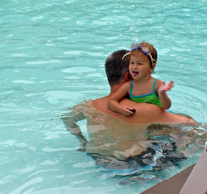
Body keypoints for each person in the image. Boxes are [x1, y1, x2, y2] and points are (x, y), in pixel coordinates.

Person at [62, 49, 198, 168]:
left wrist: (83, 142)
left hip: (99, 160)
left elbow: (67, 119)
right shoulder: (144, 110)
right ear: (129, 77)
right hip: (135, 165)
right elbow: (190, 123)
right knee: (193, 134)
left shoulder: (88, 106)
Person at [107, 42, 174, 117]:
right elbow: (111, 101)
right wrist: (121, 109)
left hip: (160, 120)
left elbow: (166, 106)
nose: (134, 67)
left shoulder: (157, 84)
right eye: (132, 63)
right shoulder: (129, 86)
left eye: (139, 64)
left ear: (151, 67)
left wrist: (162, 93)